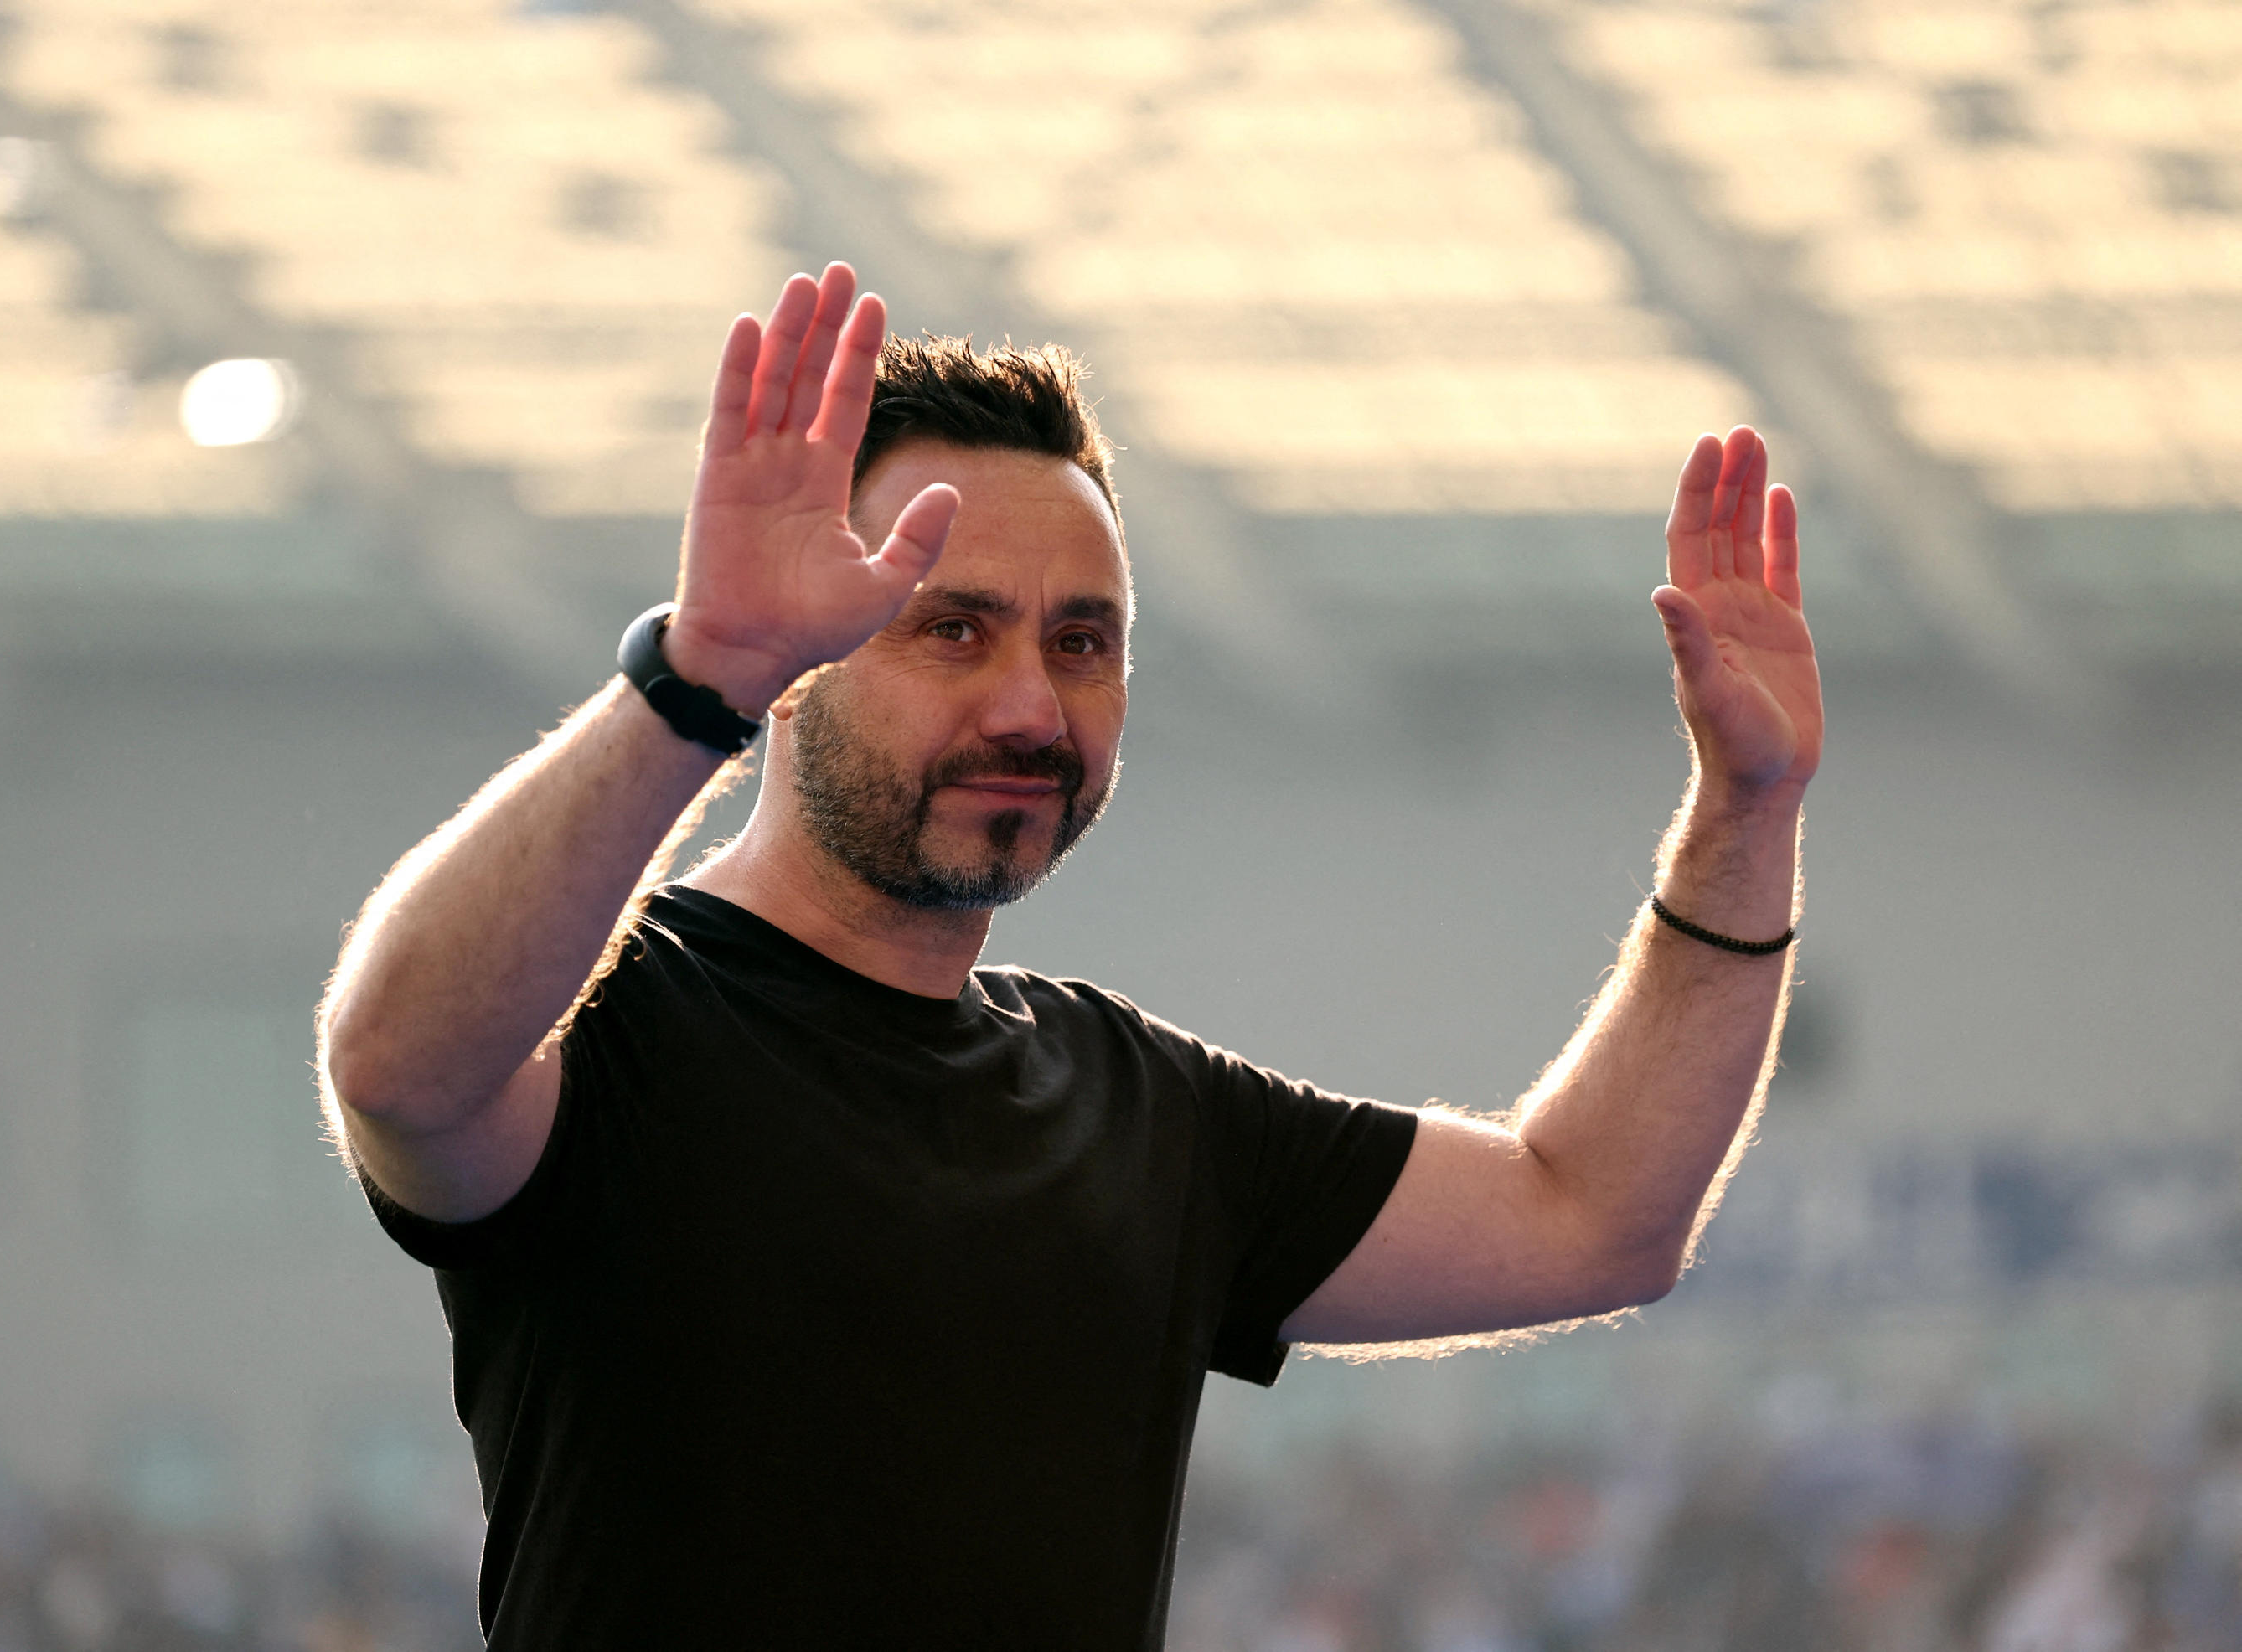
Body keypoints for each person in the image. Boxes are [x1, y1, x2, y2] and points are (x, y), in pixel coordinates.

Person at [318, 261, 1823, 1648]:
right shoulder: (619, 1025)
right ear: (794, 670)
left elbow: (1597, 1215)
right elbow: (397, 1064)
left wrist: (1748, 810)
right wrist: (695, 677)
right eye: (950, 631)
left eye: (1083, 643)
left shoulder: (1142, 1113)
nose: (1034, 707)